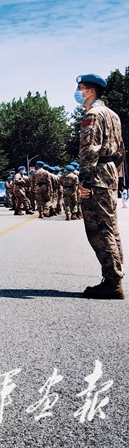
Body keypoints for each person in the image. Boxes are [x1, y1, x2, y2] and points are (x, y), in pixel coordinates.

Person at [75, 73, 125, 299]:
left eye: (81, 88)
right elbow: (120, 150)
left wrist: (84, 179)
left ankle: (112, 283)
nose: (78, 93)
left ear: (91, 91)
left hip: (96, 175)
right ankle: (115, 276)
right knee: (110, 227)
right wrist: (112, 171)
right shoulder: (113, 115)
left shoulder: (93, 115)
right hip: (109, 172)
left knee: (99, 229)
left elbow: (89, 150)